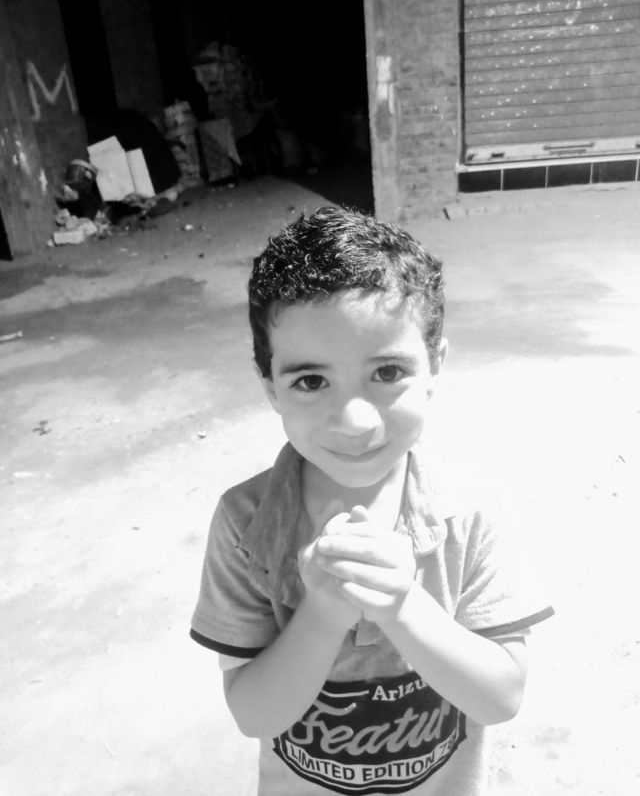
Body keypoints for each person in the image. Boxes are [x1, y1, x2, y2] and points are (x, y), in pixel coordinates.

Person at [190, 207, 554, 795]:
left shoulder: (474, 510)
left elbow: (501, 698)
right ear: (271, 388)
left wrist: (403, 607)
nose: (355, 422)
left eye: (387, 373)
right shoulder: (243, 522)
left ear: (435, 365)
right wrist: (322, 615)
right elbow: (254, 716)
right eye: (311, 381)